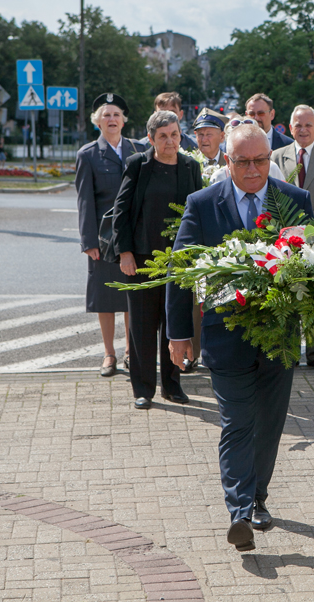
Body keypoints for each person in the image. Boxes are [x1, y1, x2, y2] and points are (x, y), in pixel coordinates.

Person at [166, 121, 312, 552]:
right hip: (225, 335)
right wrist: (178, 335)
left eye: (261, 160)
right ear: (227, 161)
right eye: (243, 161)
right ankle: (239, 511)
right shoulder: (202, 203)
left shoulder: (295, 200)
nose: (253, 169)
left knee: (269, 423)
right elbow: (180, 269)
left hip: (280, 336)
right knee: (236, 423)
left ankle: (258, 496)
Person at [114, 110, 202, 409]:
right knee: (142, 325)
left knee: (174, 322)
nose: (170, 141)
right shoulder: (138, 165)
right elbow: (121, 210)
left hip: (178, 260)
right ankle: (143, 388)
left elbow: (198, 211)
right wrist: (125, 252)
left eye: (174, 135)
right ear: (151, 139)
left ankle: (172, 385)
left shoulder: (190, 166)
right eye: (163, 136)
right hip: (140, 259)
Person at [74, 93, 144, 377]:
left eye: (116, 115)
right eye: (106, 115)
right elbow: (84, 201)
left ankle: (130, 352)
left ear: (123, 121)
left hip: (134, 237)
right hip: (103, 240)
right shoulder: (88, 154)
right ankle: (109, 354)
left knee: (131, 295)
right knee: (105, 298)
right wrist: (89, 242)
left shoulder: (139, 150)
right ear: (98, 122)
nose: (112, 119)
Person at [272, 104, 314, 371]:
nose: (303, 130)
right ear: (290, 128)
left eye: (308, 125)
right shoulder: (276, 156)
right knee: (287, 292)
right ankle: (288, 350)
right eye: (298, 125)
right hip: (285, 236)